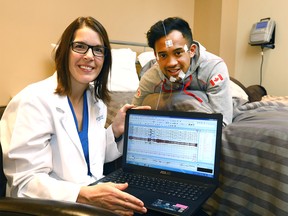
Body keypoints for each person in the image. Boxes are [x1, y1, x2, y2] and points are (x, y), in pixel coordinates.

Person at [0, 16, 149, 215]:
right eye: (80, 46)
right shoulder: (33, 101)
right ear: (64, 52)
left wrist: (114, 131)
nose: (89, 56)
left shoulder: (96, 102)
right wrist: (86, 194)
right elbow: (25, 183)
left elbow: (89, 158)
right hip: (47, 209)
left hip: (88, 201)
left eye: (98, 50)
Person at [132, 17, 233, 126]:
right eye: (163, 55)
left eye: (178, 53)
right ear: (156, 57)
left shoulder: (214, 67)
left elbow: (223, 122)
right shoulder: (150, 78)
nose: (171, 63)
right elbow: (133, 115)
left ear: (192, 50)